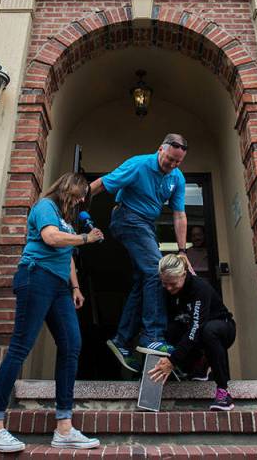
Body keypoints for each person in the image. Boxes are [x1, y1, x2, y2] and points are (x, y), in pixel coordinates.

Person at [0, 172, 105, 453]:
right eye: (81, 192)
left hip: (60, 285)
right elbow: (51, 239)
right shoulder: (45, 207)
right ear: (68, 186)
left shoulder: (67, 218)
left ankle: (64, 427)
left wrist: (75, 287)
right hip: (36, 276)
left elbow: (67, 254)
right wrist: (85, 238)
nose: (83, 199)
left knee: (72, 344)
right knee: (20, 347)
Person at [90, 134, 191, 371]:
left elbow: (179, 214)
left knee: (143, 280)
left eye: (178, 162)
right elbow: (103, 183)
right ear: (160, 150)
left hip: (146, 225)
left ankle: (121, 340)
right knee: (157, 271)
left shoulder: (177, 177)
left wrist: (182, 250)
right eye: (169, 160)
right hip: (127, 218)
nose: (172, 166)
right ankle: (152, 336)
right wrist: (71, 203)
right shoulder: (138, 164)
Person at [147, 254, 237, 412]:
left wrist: (172, 360)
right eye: (164, 283)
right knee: (172, 329)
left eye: (172, 284)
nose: (168, 288)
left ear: (183, 274)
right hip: (197, 331)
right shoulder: (169, 290)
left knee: (207, 330)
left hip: (223, 328)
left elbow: (196, 327)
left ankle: (223, 392)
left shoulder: (199, 288)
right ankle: (197, 366)